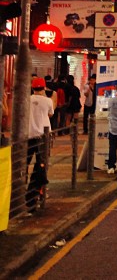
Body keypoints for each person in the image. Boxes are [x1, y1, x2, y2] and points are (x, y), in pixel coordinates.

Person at [27, 77, 54, 212]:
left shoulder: (27, 100)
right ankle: (35, 193)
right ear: (44, 88)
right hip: (43, 137)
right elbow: (50, 114)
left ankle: (22, 193)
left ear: (32, 88)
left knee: (24, 164)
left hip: (28, 136)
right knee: (41, 166)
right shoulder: (48, 101)